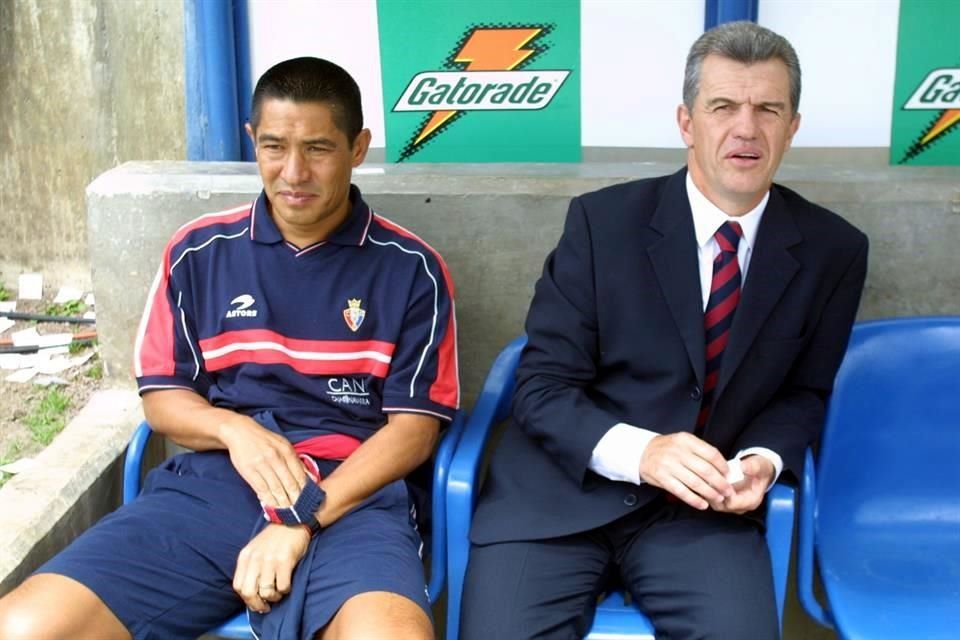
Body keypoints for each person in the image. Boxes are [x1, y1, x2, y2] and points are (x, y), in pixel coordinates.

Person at [0, 57, 458, 640]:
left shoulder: (411, 268)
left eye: (318, 149)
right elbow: (163, 399)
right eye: (274, 147)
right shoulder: (198, 252)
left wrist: (300, 519)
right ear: (252, 141)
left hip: (354, 496)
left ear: (358, 148)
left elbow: (414, 432)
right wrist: (234, 431)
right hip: (216, 486)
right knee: (25, 626)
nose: (294, 172)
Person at [461, 21, 868, 640]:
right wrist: (643, 453)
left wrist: (762, 460)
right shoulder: (602, 224)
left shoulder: (833, 250)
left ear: (792, 127)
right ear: (686, 122)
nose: (746, 128)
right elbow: (541, 387)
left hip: (701, 512)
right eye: (723, 107)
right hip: (558, 500)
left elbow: (805, 392)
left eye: (767, 109)